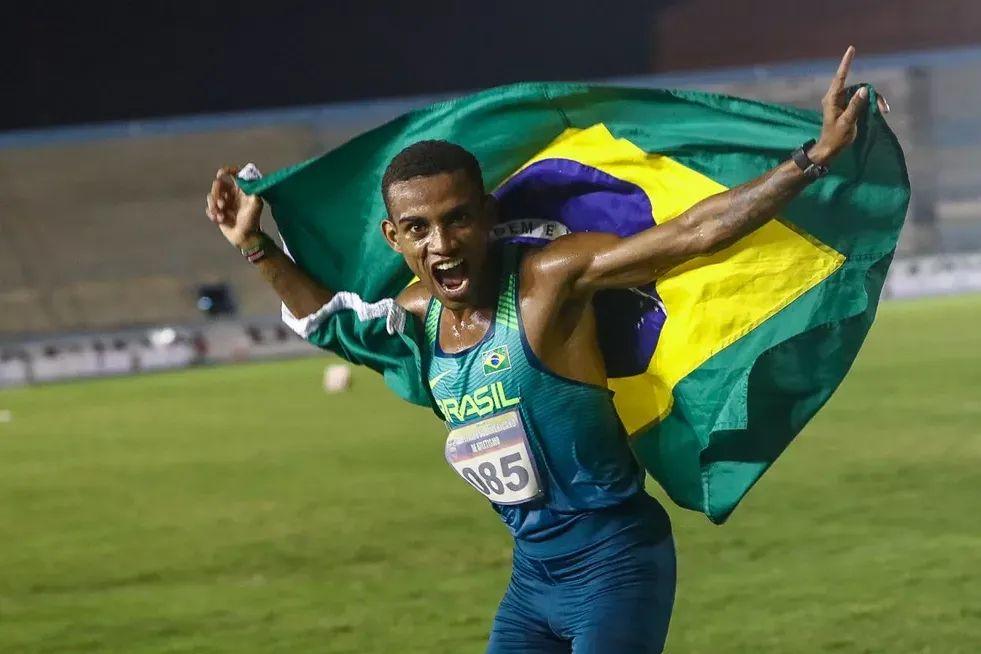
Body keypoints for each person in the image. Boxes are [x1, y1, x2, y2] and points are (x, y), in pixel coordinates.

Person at [206, 47, 881, 653]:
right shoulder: (413, 323)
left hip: (615, 564)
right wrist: (256, 247)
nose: (440, 244)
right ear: (393, 238)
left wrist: (811, 160)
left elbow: (691, 235)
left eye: (457, 219)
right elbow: (329, 319)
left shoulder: (547, 284)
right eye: (417, 229)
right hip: (533, 579)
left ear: (489, 217)